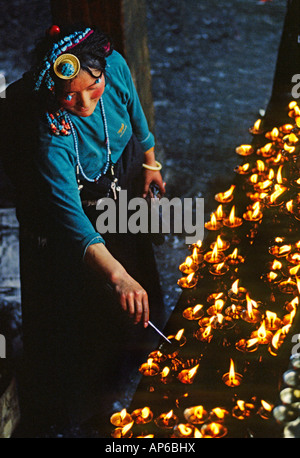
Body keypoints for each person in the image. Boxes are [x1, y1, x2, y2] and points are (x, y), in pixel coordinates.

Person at [7, 24, 166, 436]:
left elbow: (134, 112)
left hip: (117, 179)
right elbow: (73, 222)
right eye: (68, 94)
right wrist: (117, 277)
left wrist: (150, 162)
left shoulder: (114, 66)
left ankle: (139, 364)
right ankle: (89, 410)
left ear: (102, 72)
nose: (81, 101)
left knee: (138, 278)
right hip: (75, 210)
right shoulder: (52, 137)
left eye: (90, 87)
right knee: (90, 307)